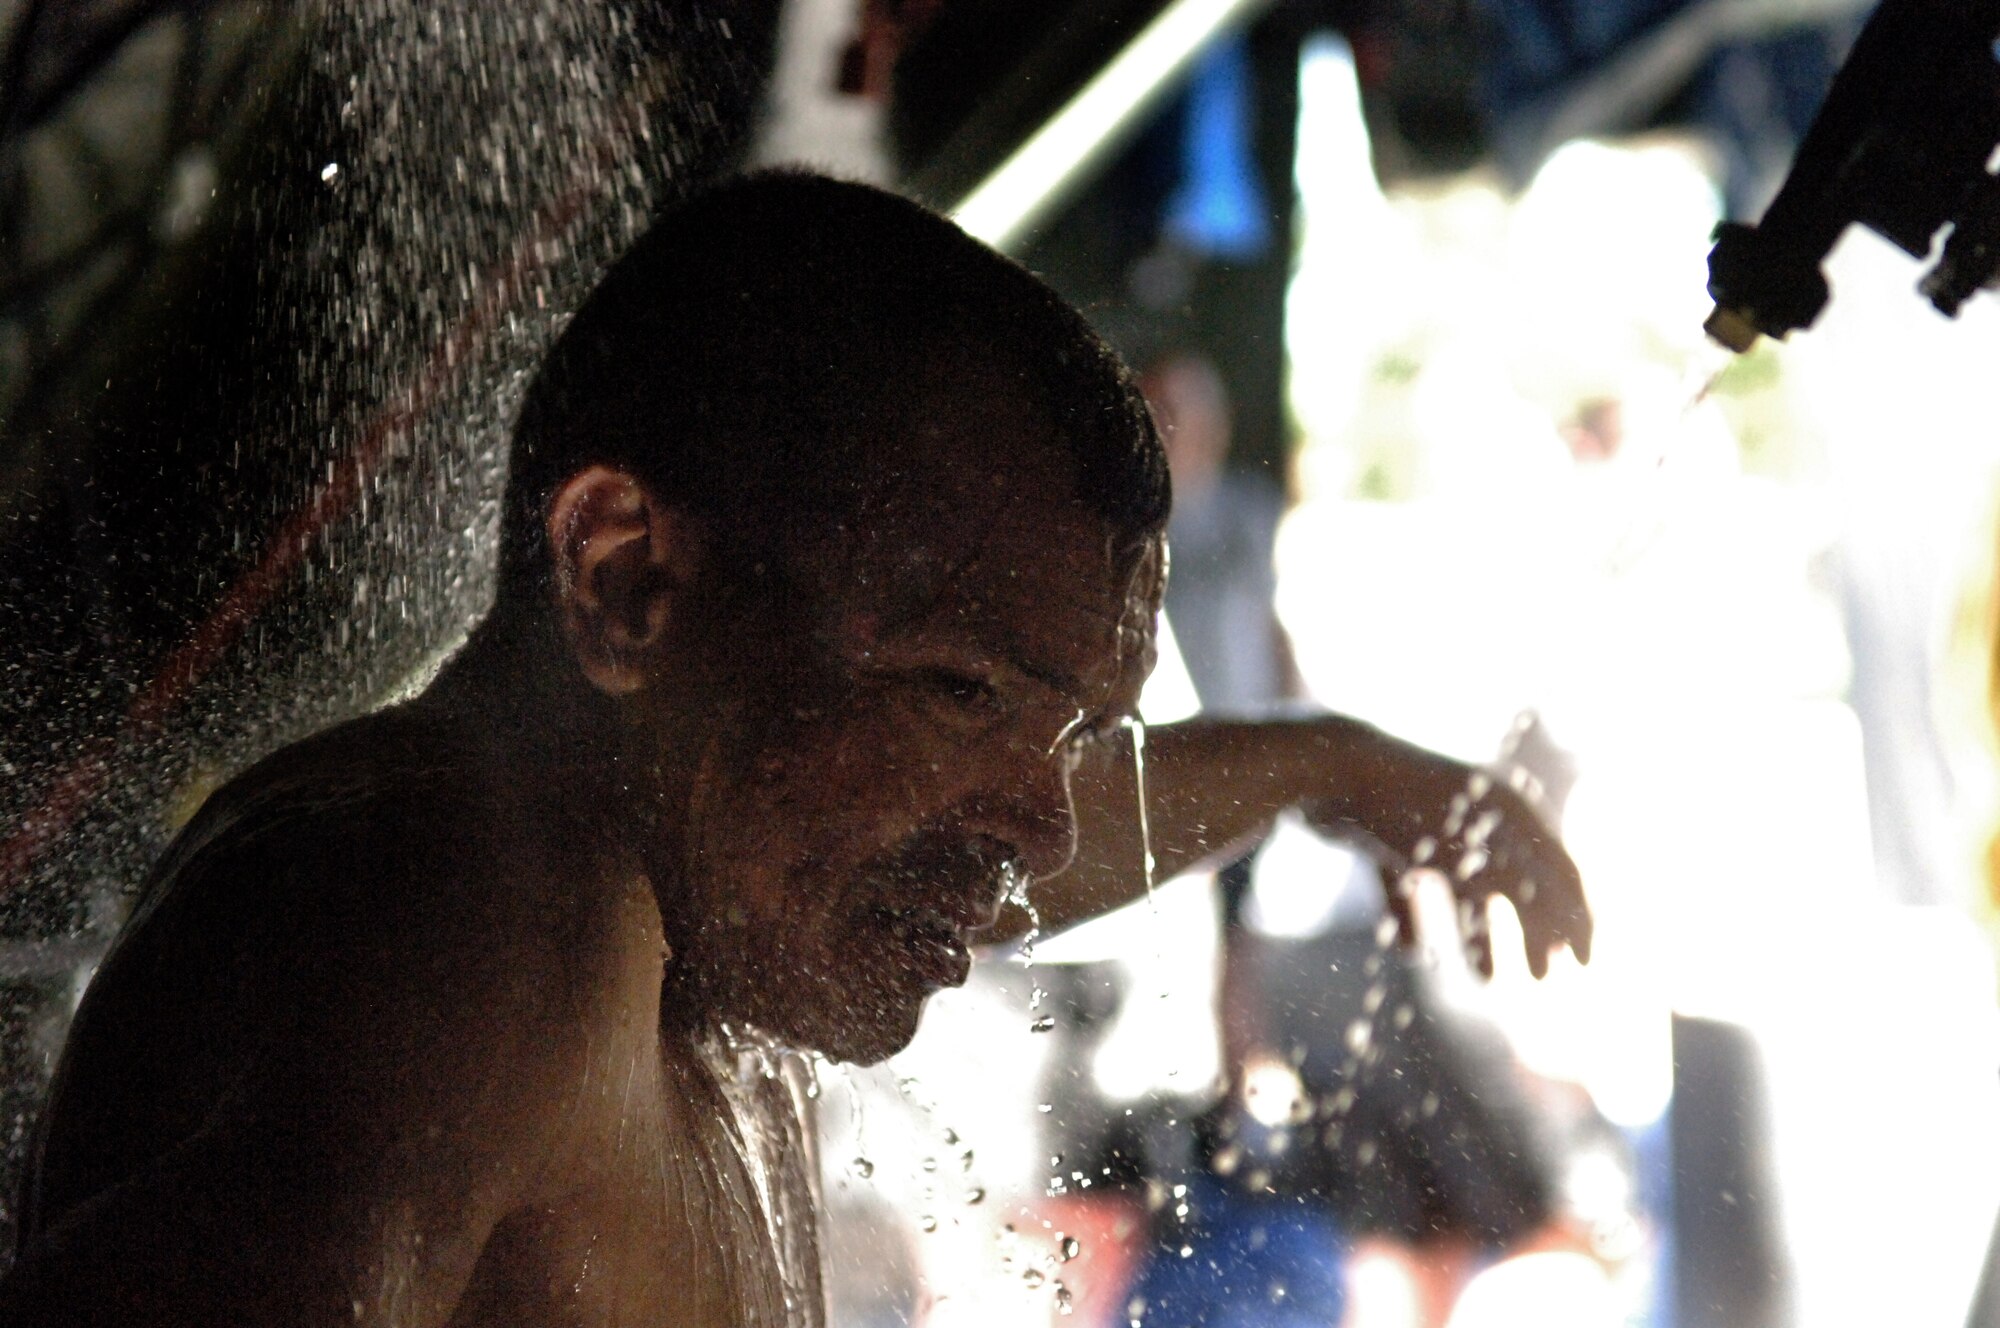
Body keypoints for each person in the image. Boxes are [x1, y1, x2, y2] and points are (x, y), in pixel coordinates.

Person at [0, 172, 1588, 1328]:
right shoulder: (461, 919)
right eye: (966, 692)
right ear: (629, 577)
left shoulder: (683, 917)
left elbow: (1042, 833)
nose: (1043, 822)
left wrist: (1325, 766)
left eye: (1080, 730)